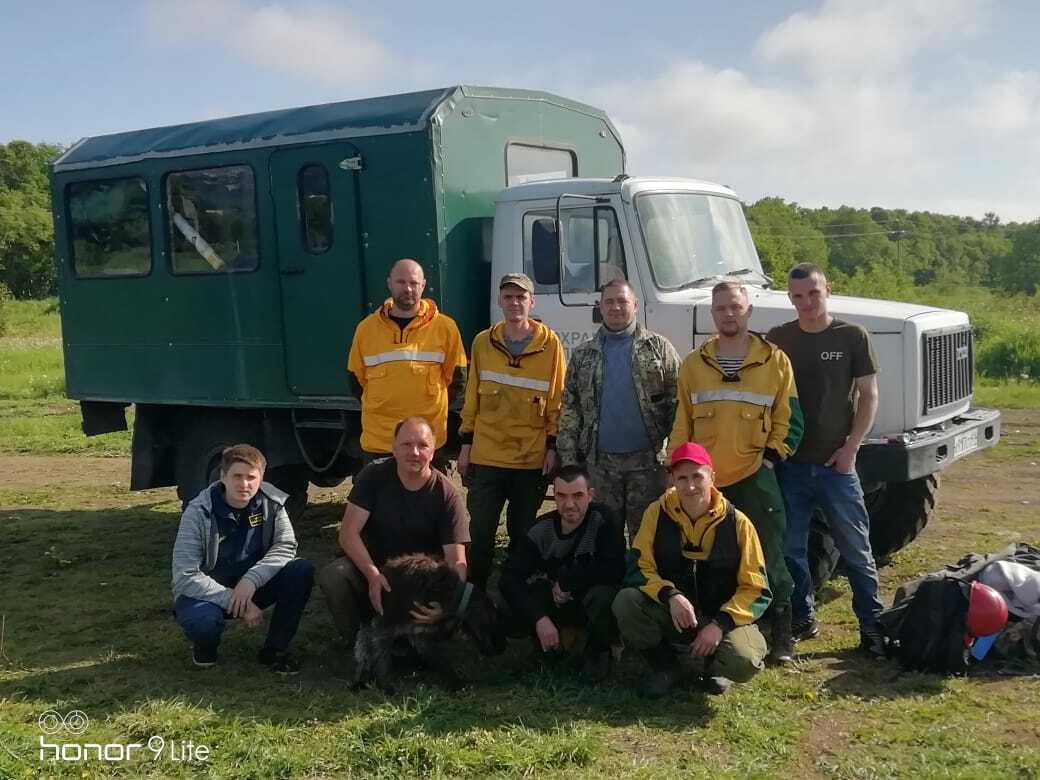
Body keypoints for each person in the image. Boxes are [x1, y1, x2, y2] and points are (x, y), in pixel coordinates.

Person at [668, 281, 803, 665]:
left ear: (748, 312)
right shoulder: (695, 364)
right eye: (722, 308)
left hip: (754, 477)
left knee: (769, 554)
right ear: (713, 314)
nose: (729, 314)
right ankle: (717, 629)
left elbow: (789, 419)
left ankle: (782, 634)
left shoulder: (774, 360)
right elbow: (683, 421)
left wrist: (771, 460)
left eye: (736, 307)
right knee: (708, 556)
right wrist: (675, 467)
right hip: (704, 484)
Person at [768, 263, 886, 656]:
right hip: (792, 466)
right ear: (790, 298)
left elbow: (868, 395)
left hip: (838, 465)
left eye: (813, 293)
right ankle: (803, 617)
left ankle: (872, 626)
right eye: (797, 296)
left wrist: (852, 448)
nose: (806, 302)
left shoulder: (852, 336)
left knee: (856, 549)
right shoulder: (779, 339)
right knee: (791, 549)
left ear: (827, 290)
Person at [613, 443, 771, 697]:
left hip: (720, 618)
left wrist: (720, 624)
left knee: (745, 661)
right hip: (672, 613)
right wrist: (670, 595)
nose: (690, 486)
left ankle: (713, 666)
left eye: (697, 476)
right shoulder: (656, 513)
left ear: (712, 477)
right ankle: (666, 666)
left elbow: (757, 589)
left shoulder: (739, 523)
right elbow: (639, 567)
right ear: (672, 480)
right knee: (625, 602)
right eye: (682, 478)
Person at [317, 417, 470, 646]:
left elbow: (456, 560)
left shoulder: (446, 494)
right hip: (374, 568)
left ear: (433, 449)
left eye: (423, 445)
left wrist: (446, 605)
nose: (415, 452)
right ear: (394, 448)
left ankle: (415, 642)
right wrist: (373, 576)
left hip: (418, 581)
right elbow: (348, 534)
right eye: (406, 444)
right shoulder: (373, 476)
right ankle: (359, 642)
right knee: (334, 576)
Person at [458, 273, 566, 590]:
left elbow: (557, 401)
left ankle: (514, 593)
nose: (515, 302)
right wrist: (466, 444)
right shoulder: (482, 343)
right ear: (500, 302)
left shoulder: (550, 345)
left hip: (529, 461)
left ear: (532, 302)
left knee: (522, 534)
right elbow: (472, 397)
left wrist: (552, 447)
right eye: (508, 297)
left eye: (521, 297)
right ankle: (473, 593)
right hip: (487, 458)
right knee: (479, 533)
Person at [171, 444, 314, 674]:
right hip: (208, 594)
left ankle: (275, 650)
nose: (244, 484)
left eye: (251, 477)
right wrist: (236, 601)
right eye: (237, 476)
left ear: (261, 478)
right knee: (203, 623)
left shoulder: (272, 504)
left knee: (301, 570)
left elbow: (286, 546)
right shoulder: (198, 511)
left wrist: (251, 580)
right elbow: (185, 575)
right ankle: (205, 649)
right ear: (222, 476)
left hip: (252, 586)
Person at [557, 279, 681, 540]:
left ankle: (644, 581)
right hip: (600, 466)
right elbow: (570, 409)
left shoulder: (659, 349)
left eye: (622, 301)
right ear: (599, 307)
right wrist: (569, 461)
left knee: (648, 535)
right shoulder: (583, 356)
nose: (616, 307)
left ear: (635, 305)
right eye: (609, 301)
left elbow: (679, 405)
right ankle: (608, 581)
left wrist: (675, 460)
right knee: (604, 534)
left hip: (648, 466)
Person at [499, 464, 626, 681]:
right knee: (513, 602)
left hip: (589, 599)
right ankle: (546, 646)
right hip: (556, 603)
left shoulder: (604, 520)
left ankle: (599, 651)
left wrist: (569, 581)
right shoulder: (540, 529)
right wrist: (539, 618)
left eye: (578, 495)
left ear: (590, 495)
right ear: (554, 496)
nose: (569, 504)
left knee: (604, 595)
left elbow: (616, 568)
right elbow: (509, 578)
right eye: (562, 496)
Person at [348, 258, 467, 462]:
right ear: (389, 284)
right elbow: (355, 381)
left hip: (427, 443)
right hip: (380, 442)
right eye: (401, 282)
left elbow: (458, 381)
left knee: (429, 495)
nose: (408, 288)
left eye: (413, 283)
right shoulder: (366, 329)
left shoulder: (445, 328)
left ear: (423, 285)